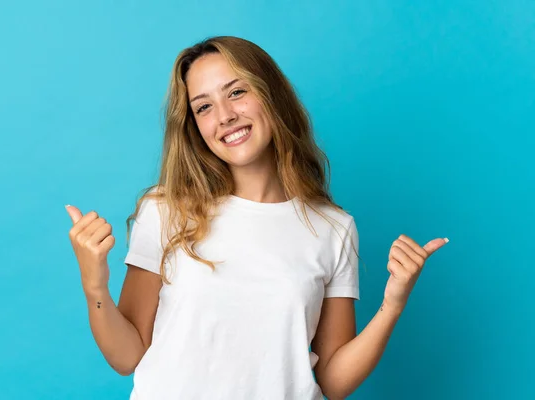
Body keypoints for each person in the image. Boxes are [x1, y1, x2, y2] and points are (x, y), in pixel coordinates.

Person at [65, 36, 448, 400]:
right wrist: (94, 285)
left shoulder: (333, 228)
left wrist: (392, 304)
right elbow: (127, 357)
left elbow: (333, 380)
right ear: (195, 127)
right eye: (204, 107)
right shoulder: (165, 210)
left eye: (236, 92)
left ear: (270, 94)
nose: (226, 116)